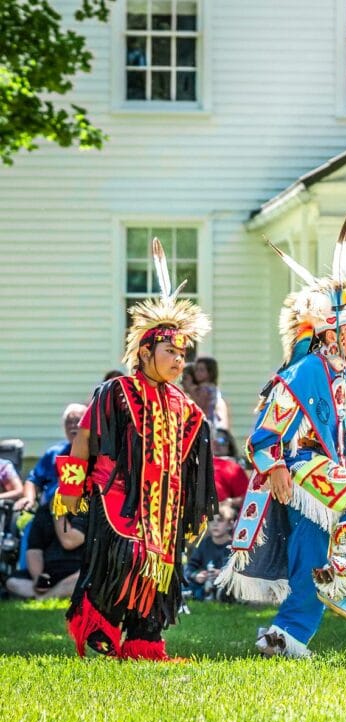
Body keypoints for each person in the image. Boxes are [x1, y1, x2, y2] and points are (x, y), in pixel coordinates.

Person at [218, 213, 346, 659]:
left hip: (316, 470)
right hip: (299, 466)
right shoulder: (308, 369)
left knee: (308, 557)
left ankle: (284, 636)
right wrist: (273, 467)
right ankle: (341, 577)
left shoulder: (342, 373)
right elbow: (265, 428)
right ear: (330, 333)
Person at [60, 238, 216, 660]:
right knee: (123, 559)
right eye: (170, 352)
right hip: (118, 496)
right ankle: (99, 624)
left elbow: (190, 457)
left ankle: (145, 642)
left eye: (182, 355)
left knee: (158, 573)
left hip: (163, 508)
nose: (178, 361)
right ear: (146, 351)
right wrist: (70, 489)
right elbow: (85, 438)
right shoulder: (117, 392)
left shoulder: (184, 406)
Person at [15, 404, 87, 515]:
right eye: (68, 422)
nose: (73, 426)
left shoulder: (96, 454)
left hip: (81, 512)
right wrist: (29, 498)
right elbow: (33, 480)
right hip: (49, 510)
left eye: (78, 421)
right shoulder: (54, 453)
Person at [4, 504, 86, 600]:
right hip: (50, 573)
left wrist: (58, 512)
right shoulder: (43, 511)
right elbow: (34, 550)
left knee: (84, 579)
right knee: (12, 582)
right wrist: (38, 577)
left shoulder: (87, 509)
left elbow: (69, 541)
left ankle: (43, 597)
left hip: (77, 570)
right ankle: (56, 593)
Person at [185, 510, 234, 601]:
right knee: (183, 576)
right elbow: (190, 567)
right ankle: (193, 593)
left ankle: (221, 595)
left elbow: (241, 571)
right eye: (211, 520)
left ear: (230, 525)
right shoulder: (204, 544)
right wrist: (196, 575)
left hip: (226, 583)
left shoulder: (235, 546)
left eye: (220, 520)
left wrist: (222, 574)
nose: (215, 524)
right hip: (206, 582)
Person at [210, 427, 249, 508]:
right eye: (212, 439)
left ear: (229, 444)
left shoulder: (234, 468)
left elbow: (246, 498)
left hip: (219, 514)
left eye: (221, 440)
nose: (216, 442)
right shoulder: (196, 463)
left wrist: (228, 503)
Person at [191, 355, 230, 431]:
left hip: (206, 423)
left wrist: (190, 390)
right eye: (196, 370)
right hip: (214, 423)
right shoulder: (213, 387)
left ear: (210, 372)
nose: (197, 373)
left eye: (201, 370)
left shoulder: (204, 387)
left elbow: (199, 405)